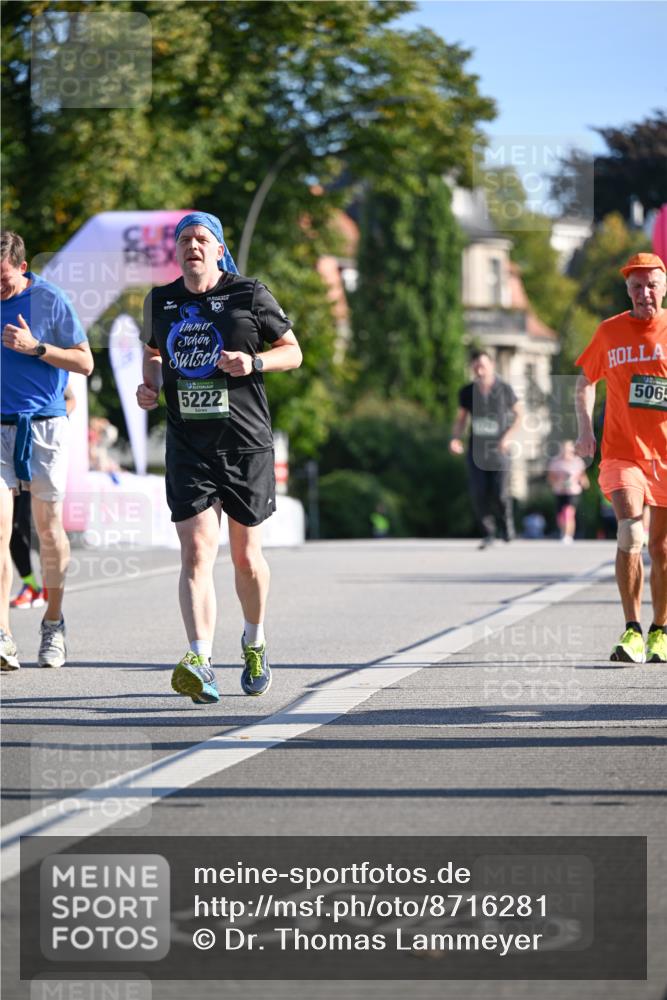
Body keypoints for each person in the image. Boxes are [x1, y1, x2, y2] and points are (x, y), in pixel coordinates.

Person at [137, 211, 302, 704]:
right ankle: (200, 660)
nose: (192, 246)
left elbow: (292, 352)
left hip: (245, 443)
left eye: (201, 239)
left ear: (217, 248)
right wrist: (150, 384)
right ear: (178, 250)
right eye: (184, 239)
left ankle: (254, 640)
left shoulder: (249, 294)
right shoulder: (161, 300)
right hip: (188, 443)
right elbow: (154, 352)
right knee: (195, 552)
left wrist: (253, 361)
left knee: (246, 558)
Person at [1, 230, 93, 670]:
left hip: (44, 426)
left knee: (48, 528)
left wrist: (36, 348)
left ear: (22, 267)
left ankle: (53, 623)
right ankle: (2, 635)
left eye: (3, 280)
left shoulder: (50, 301)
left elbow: (85, 362)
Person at [574, 251, 667, 664]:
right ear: (627, 290)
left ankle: (660, 631)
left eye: (651, 285)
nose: (643, 293)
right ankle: (631, 630)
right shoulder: (610, 332)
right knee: (632, 533)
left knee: (663, 548)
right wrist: (584, 429)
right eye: (635, 286)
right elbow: (583, 383)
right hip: (622, 452)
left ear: (663, 287)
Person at [9, 383, 76, 609]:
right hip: (7, 450)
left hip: (35, 454)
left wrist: (47, 416)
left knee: (37, 527)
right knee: (10, 530)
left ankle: (48, 585)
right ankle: (30, 585)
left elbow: (70, 400)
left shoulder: (41, 363)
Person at [449, 349, 522, 548]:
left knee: (499, 493)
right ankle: (489, 532)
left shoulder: (505, 389)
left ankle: (507, 525)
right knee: (479, 492)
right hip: (476, 450)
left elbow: (519, 415)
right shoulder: (466, 392)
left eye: (483, 365)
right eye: (476, 366)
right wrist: (455, 438)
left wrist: (507, 438)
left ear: (491, 366)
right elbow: (461, 420)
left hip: (500, 450)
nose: (479, 370)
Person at [547, 440, 589, 543]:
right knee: (561, 515)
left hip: (573, 491)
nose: (565, 452)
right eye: (563, 449)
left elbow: (582, 475)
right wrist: (557, 482)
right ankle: (563, 532)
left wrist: (584, 482)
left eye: (568, 449)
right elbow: (550, 477)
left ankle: (568, 535)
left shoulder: (577, 462)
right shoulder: (555, 462)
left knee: (568, 512)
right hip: (559, 491)